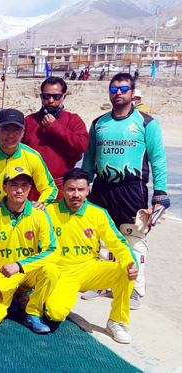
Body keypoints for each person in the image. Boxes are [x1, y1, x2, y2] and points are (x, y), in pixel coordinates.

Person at [81, 73, 168, 309]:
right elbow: (89, 157)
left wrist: (160, 193)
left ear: (132, 93)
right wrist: (84, 182)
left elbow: (158, 159)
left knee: (133, 238)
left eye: (123, 88)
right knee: (101, 237)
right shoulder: (99, 123)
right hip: (102, 186)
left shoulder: (147, 122)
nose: (118, 92)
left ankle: (134, 289)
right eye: (113, 88)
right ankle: (100, 282)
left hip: (133, 188)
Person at [44, 168, 138, 344]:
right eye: (71, 189)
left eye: (81, 189)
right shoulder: (48, 211)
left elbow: (118, 243)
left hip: (89, 269)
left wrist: (130, 263)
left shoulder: (98, 213)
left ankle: (117, 321)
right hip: (60, 273)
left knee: (126, 270)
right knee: (54, 314)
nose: (76, 194)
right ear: (62, 189)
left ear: (88, 190)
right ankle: (51, 300)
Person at [0, 165, 59, 333]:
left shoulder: (40, 214)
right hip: (2, 273)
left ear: (30, 188)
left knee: (51, 269)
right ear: (4, 187)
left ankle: (33, 312)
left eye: (24, 185)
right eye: (14, 185)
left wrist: (20, 265)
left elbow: (53, 250)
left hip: (27, 272)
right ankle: (17, 295)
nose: (19, 190)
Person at [0, 109, 57, 211]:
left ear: (23, 132)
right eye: (5, 129)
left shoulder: (33, 157)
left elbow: (50, 188)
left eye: (16, 130)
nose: (11, 135)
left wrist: (42, 203)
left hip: (19, 217)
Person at [21, 77, 88, 200]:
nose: (51, 100)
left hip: (61, 190)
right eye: (47, 96)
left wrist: (54, 127)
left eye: (56, 96)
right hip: (32, 190)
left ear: (64, 97)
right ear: (41, 96)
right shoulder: (29, 121)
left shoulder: (73, 120)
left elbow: (80, 146)